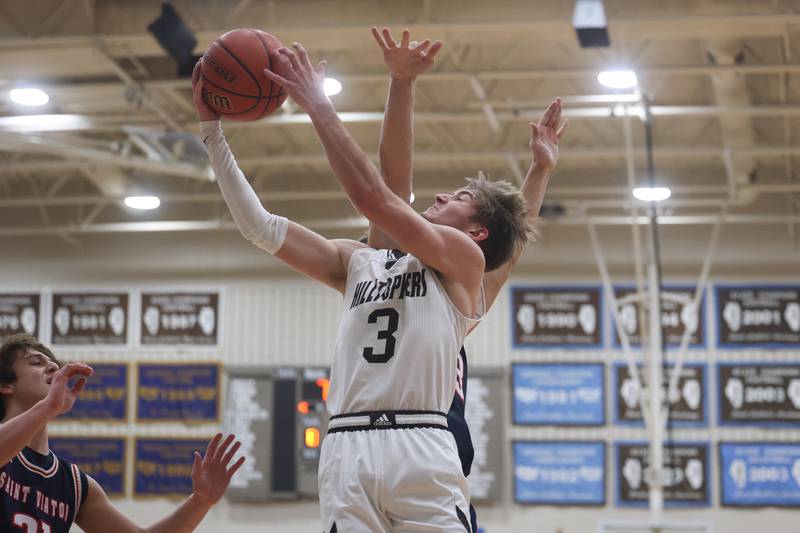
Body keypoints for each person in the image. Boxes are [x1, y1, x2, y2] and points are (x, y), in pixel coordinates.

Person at [193, 29, 531, 531]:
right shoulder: (360, 261)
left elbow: (378, 197)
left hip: (421, 443)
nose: (441, 196)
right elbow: (260, 227)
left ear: (478, 230)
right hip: (346, 443)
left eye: (459, 197)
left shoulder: (463, 263)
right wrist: (211, 132)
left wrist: (317, 106)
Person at [368, 27, 567, 532]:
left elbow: (506, 247)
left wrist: (539, 172)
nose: (439, 197)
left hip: (434, 462)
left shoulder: (461, 291)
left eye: (455, 198)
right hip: (367, 455)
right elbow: (394, 185)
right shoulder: (385, 261)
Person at [0, 333, 245, 533]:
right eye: (36, 362)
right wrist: (47, 408)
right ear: (5, 385)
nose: (52, 366)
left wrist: (201, 502)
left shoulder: (74, 484)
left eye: (53, 363)